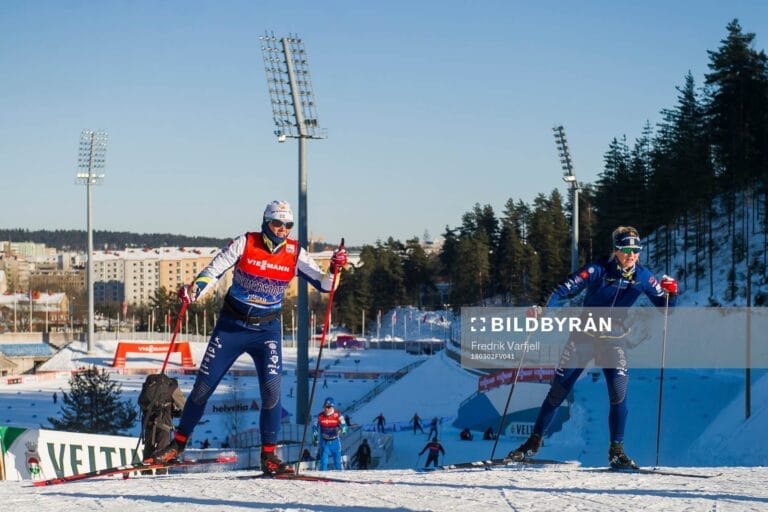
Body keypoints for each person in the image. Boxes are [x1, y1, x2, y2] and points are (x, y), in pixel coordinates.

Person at [144, 200, 347, 477]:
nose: (283, 230)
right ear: (266, 222)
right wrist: (195, 291)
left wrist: (335, 268)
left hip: (266, 331)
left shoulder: (294, 252)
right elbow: (214, 270)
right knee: (203, 387)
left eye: (288, 225)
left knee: (272, 392)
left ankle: (269, 456)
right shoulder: (245, 243)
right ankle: (176, 447)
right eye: (278, 224)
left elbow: (325, 285)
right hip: (232, 327)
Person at [508, 226, 678, 470]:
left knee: (619, 393)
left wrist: (673, 293)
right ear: (615, 250)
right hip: (583, 337)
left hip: (614, 339)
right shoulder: (596, 269)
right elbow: (564, 289)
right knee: (558, 391)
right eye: (626, 249)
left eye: (636, 250)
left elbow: (666, 307)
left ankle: (616, 451)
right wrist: (544, 309)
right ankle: (532, 444)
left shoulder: (643, 277)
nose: (631, 255)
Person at [313, 396, 347, 470]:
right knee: (324, 462)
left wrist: (342, 431)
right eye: (325, 407)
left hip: (335, 441)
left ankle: (339, 477)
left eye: (328, 407)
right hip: (324, 442)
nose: (326, 409)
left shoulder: (338, 415)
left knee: (337, 462)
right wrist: (315, 439)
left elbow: (344, 426)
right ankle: (322, 477)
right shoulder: (320, 416)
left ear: (332, 407)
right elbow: (314, 428)